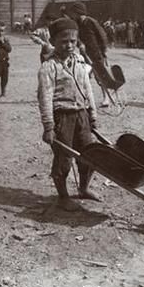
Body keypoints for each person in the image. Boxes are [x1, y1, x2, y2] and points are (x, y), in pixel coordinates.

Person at [37, 17, 99, 211]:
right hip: (63, 118)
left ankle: (83, 188)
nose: (69, 45)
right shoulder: (49, 67)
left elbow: (88, 89)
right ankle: (63, 197)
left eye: (73, 41)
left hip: (82, 115)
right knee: (64, 158)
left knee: (90, 154)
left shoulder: (79, 62)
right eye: (64, 41)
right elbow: (45, 98)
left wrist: (93, 115)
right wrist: (48, 127)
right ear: (53, 42)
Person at [67, 1, 112, 108]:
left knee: (101, 75)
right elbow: (76, 37)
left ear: (78, 12)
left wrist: (104, 51)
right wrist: (80, 44)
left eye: (74, 13)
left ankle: (106, 98)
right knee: (83, 75)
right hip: (84, 54)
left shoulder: (91, 22)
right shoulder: (77, 24)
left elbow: (102, 36)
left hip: (96, 53)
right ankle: (83, 98)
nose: (72, 15)